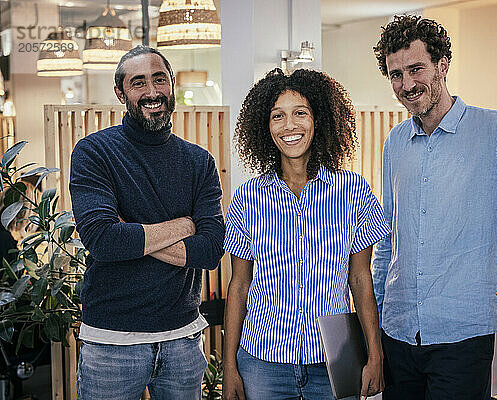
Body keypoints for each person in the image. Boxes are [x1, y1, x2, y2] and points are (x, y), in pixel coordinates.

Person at [371, 15, 497, 400]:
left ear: (442, 66)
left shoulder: (495, 131)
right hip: (396, 331)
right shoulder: (395, 142)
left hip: (462, 337)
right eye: (396, 74)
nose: (406, 84)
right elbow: (389, 241)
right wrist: (379, 318)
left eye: (416, 69)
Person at [222, 68, 390, 400]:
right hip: (262, 362)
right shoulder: (247, 198)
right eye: (277, 116)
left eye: (301, 113)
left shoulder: (353, 191)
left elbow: (360, 278)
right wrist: (229, 367)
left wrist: (375, 354)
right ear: (265, 126)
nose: (290, 126)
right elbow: (239, 285)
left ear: (320, 120)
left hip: (334, 359)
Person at [69, 45, 225, 400]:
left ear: (171, 85)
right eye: (138, 83)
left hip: (183, 340)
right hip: (112, 342)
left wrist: (134, 233)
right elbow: (104, 241)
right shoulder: (94, 152)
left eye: (160, 79)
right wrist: (186, 226)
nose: (152, 92)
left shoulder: (199, 162)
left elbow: (211, 250)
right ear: (120, 92)